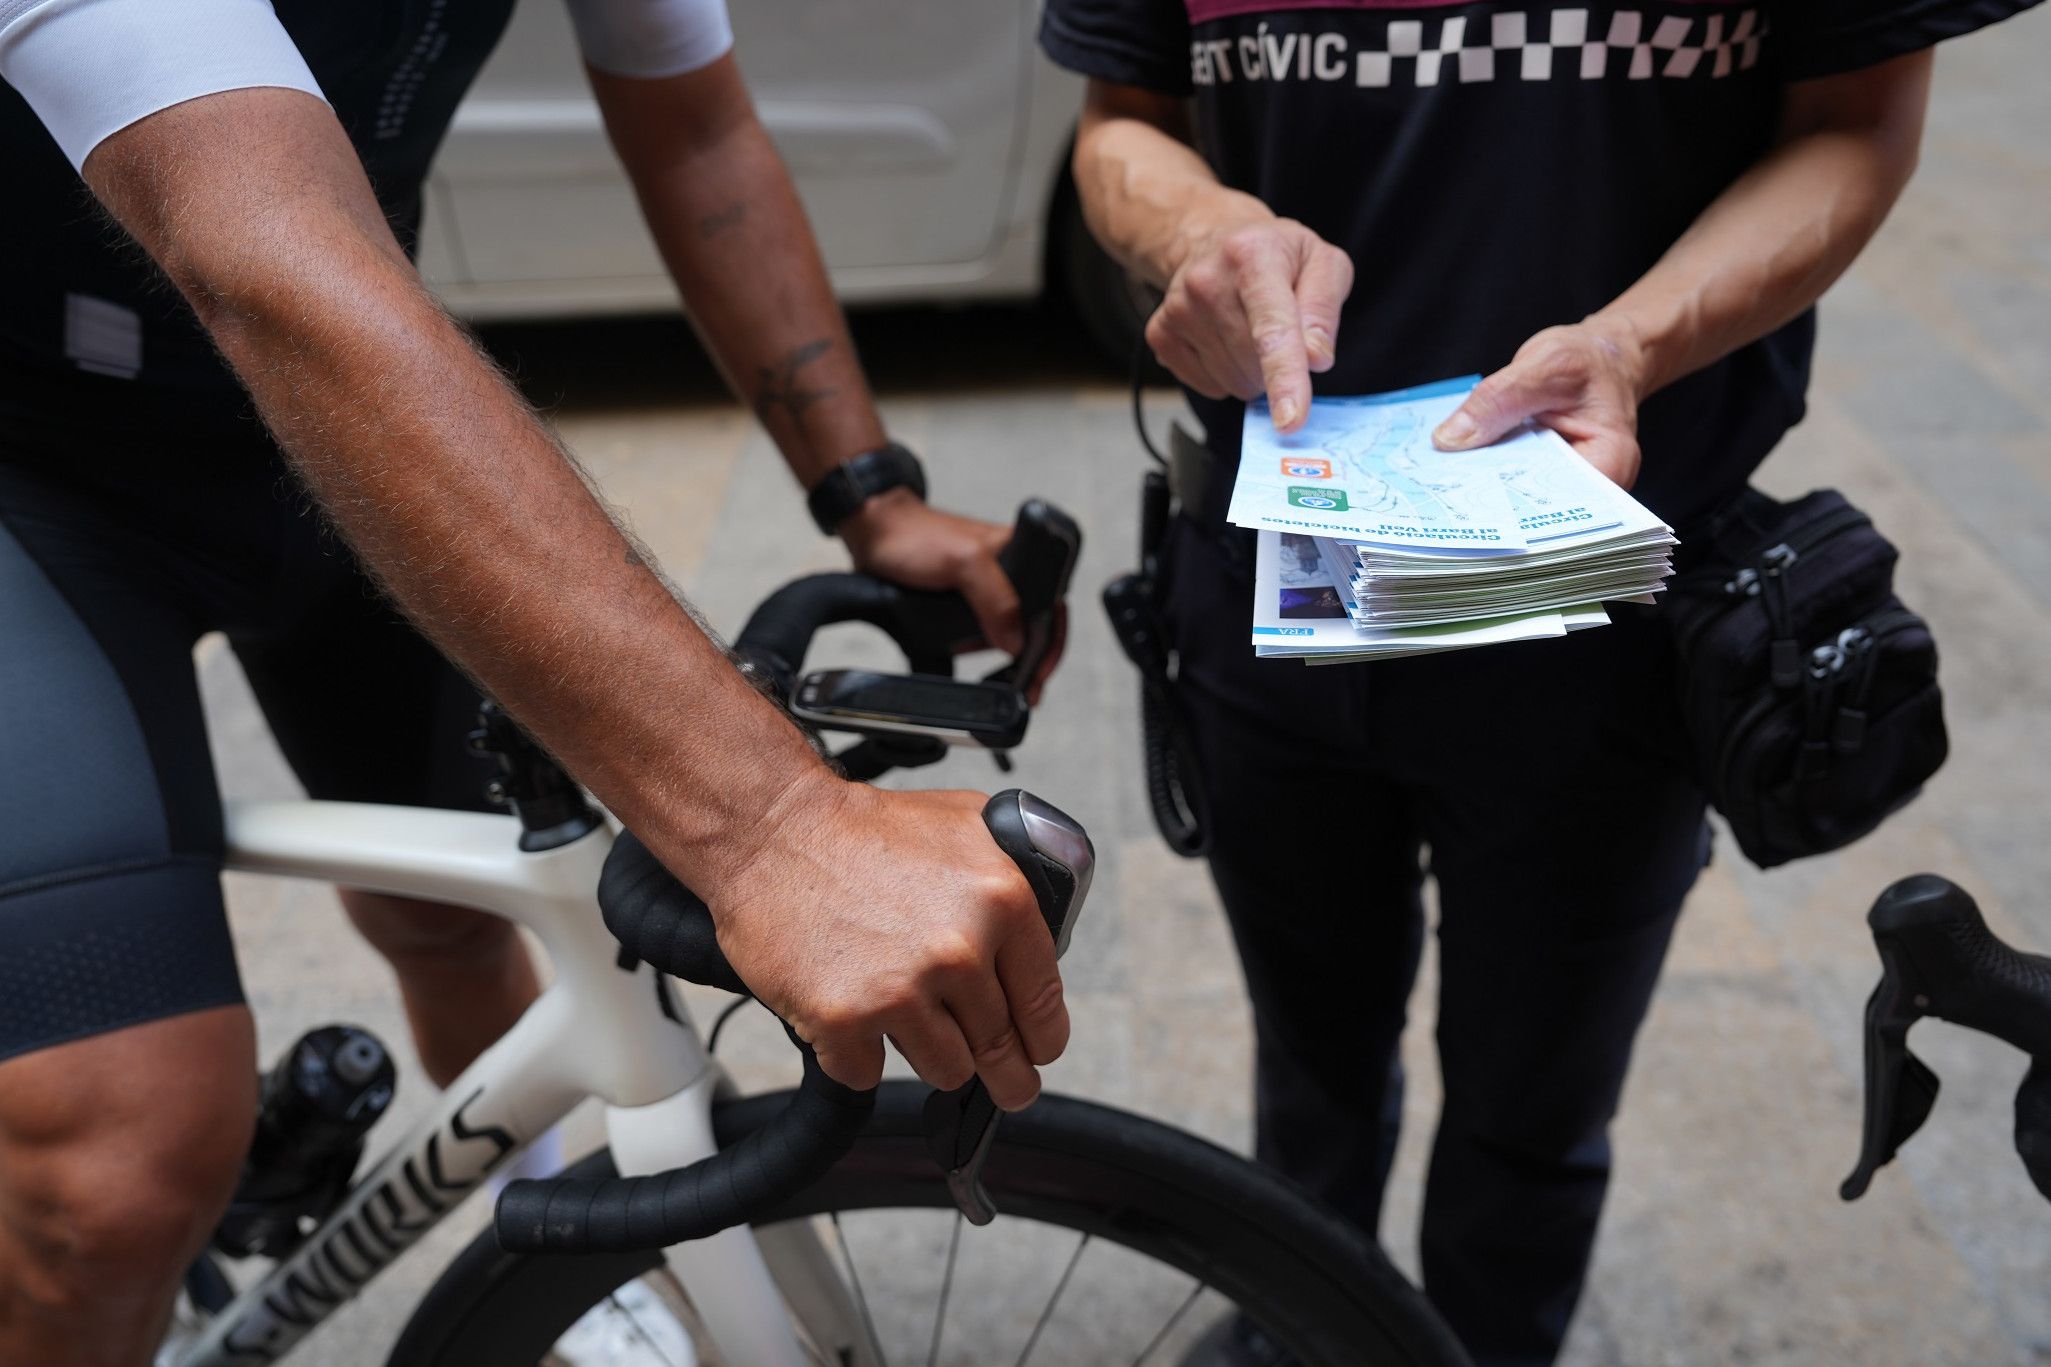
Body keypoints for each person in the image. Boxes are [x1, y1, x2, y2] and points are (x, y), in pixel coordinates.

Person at [0, 0, 1072, 1359]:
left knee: (463, 928)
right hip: (37, 477)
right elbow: (262, 252)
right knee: (119, 1166)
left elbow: (698, 132)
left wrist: (865, 491)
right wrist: (777, 829)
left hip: (302, 447)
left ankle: (571, 1268)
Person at [1040, 1, 2039, 1363]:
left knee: (1536, 1110)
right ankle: (1302, 1324)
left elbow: (1856, 123)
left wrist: (1632, 342)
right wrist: (1196, 233)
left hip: (1609, 595)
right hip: (1270, 578)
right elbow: (1122, 125)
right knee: (1311, 1067)